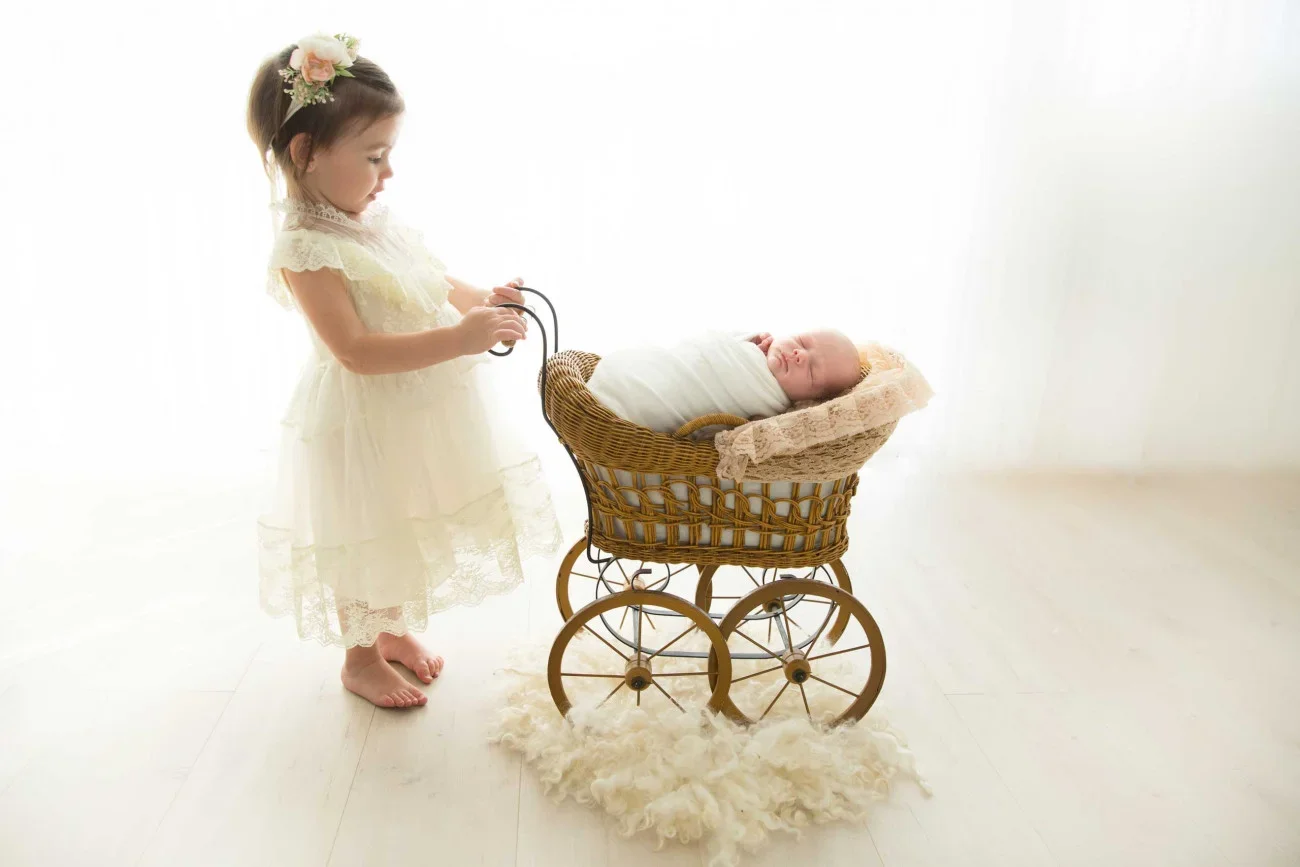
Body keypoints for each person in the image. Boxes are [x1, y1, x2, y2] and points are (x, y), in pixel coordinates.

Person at [246, 33, 559, 708]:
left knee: (407, 519)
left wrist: (478, 299)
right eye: (374, 156)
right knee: (368, 534)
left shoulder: (364, 218)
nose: (387, 173)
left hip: (411, 408)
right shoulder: (307, 247)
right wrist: (459, 340)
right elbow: (354, 350)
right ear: (305, 153)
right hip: (361, 418)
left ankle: (389, 631)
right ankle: (359, 657)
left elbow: (425, 276)